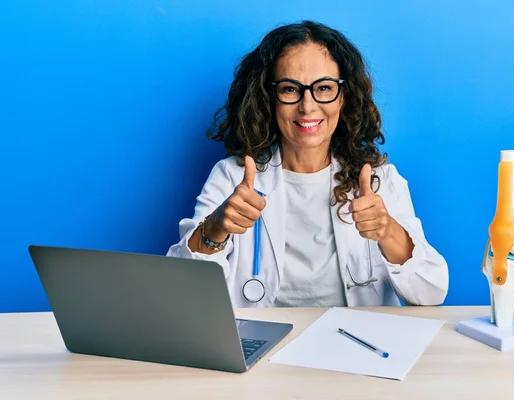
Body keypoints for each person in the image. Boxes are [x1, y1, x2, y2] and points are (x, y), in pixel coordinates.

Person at [167, 20, 448, 308]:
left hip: (357, 344)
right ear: (268, 98)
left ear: (344, 97)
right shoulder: (232, 177)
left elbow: (431, 292)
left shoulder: (380, 180)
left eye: (324, 88)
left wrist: (388, 230)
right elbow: (180, 292)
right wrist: (216, 227)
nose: (308, 106)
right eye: (290, 89)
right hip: (265, 346)